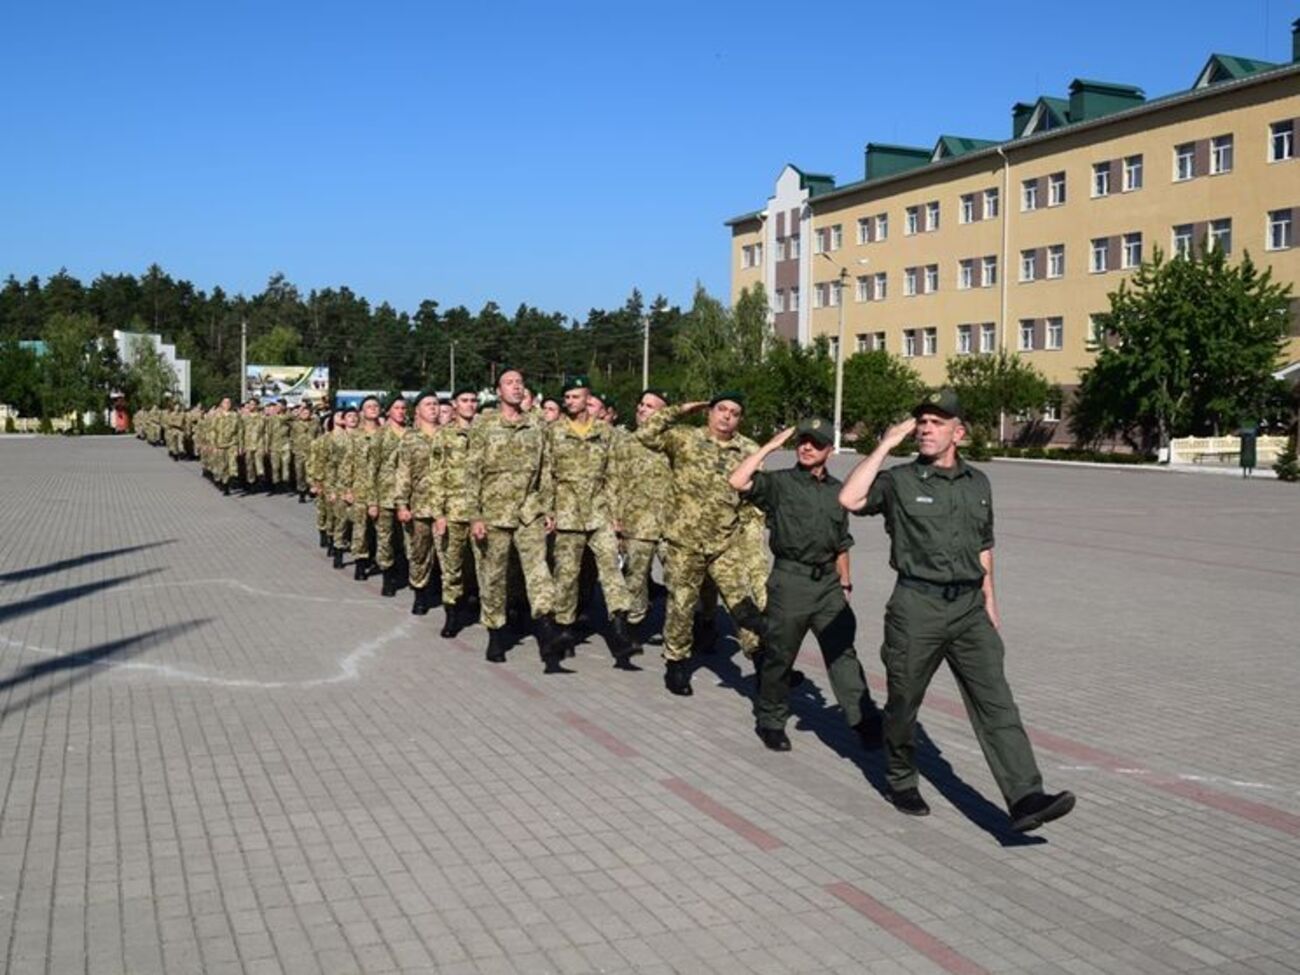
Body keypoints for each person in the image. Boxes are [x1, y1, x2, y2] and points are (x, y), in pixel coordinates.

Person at [838, 389, 1075, 833]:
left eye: (937, 421)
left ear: (958, 432)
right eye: (921, 421)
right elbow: (849, 499)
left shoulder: (978, 484)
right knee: (904, 704)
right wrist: (887, 443)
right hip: (917, 607)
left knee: (997, 702)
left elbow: (984, 546)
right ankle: (901, 777)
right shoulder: (899, 480)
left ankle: (1025, 796)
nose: (926, 428)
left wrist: (991, 601)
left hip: (969, 610)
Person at [729, 418, 882, 752]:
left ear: (829, 449)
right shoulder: (780, 484)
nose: (807, 447)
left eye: (816, 442)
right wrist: (768, 446)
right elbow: (738, 480)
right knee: (779, 657)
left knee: (843, 653)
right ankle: (771, 719)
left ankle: (864, 721)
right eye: (803, 441)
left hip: (828, 584)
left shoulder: (837, 490)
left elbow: (841, 542)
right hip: (790, 581)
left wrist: (846, 583)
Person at [635, 392, 766, 696]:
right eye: (721, 409)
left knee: (742, 604)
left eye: (734, 412)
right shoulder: (685, 439)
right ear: (709, 412)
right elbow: (646, 433)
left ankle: (761, 659)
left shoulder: (748, 450)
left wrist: (751, 542)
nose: (727, 417)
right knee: (681, 605)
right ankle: (677, 662)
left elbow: (757, 496)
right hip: (685, 541)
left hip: (725, 543)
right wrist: (680, 409)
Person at [465, 368, 570, 670]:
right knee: (494, 577)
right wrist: (475, 516)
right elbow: (471, 475)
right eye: (509, 383)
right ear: (498, 391)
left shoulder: (536, 426)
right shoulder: (484, 426)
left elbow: (547, 471)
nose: (516, 387)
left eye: (520, 383)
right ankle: (496, 633)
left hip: (528, 512)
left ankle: (549, 635)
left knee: (539, 573)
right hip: (494, 514)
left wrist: (548, 509)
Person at [545, 377, 638, 667]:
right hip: (568, 512)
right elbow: (546, 474)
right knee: (567, 575)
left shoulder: (604, 432)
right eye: (567, 397)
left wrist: (617, 514)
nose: (570, 401)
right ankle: (563, 632)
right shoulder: (554, 431)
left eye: (576, 396)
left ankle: (621, 631)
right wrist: (548, 510)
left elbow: (614, 475)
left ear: (588, 398)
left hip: (599, 513)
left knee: (611, 568)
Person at [610, 389, 672, 644]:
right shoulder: (625, 443)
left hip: (671, 524)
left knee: (679, 577)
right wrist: (614, 518)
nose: (643, 410)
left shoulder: (674, 443)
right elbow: (613, 481)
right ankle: (634, 626)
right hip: (636, 524)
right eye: (641, 405)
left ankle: (678, 632)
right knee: (635, 579)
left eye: (650, 406)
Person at [433, 388, 479, 638]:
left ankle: (482, 610)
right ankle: (452, 615)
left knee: (484, 567)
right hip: (453, 511)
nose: (470, 405)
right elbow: (437, 475)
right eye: (464, 400)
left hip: (483, 513)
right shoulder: (444, 436)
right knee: (452, 567)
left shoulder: (487, 432)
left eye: (473, 400)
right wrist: (439, 514)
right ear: (454, 404)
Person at [395, 391, 441, 615]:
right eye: (428, 404)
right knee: (419, 552)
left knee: (447, 554)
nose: (433, 408)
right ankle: (420, 593)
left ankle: (445, 596)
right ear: (418, 411)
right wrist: (402, 504)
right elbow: (404, 473)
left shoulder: (447, 435)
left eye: (436, 404)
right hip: (420, 506)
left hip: (446, 507)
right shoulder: (410, 439)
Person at [373, 394, 409, 597]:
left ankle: (405, 573)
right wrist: (372, 500)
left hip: (407, 496)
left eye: (404, 408)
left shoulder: (411, 434)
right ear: (388, 411)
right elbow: (371, 469)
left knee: (407, 539)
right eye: (397, 408)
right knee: (385, 538)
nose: (401, 412)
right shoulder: (381, 435)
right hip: (385, 494)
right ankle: (388, 577)